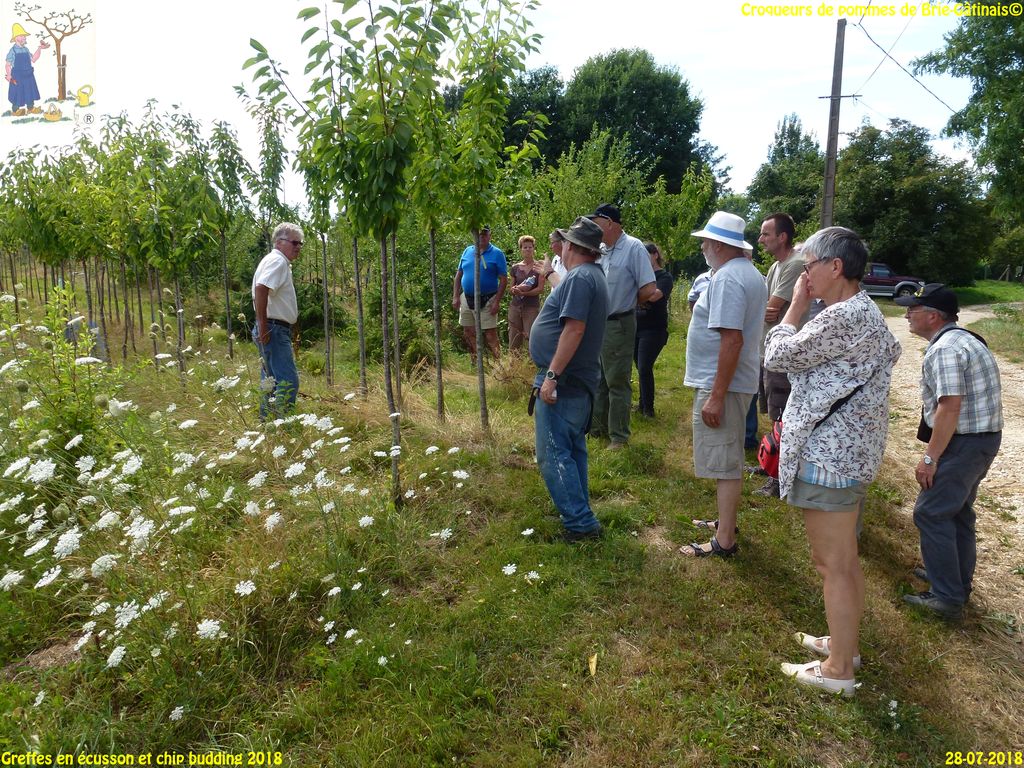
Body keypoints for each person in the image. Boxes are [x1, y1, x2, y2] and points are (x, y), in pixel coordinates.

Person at [765, 226, 900, 696]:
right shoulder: (862, 311)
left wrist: (795, 307)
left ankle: (839, 670)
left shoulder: (841, 316)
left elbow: (777, 355)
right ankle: (846, 646)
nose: (805, 276)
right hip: (848, 454)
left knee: (832, 565)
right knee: (845, 561)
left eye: (809, 267)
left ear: (835, 266)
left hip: (829, 458)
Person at [895, 284, 1002, 619]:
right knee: (957, 512)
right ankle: (954, 580)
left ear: (933, 316)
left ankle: (946, 598)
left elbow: (949, 407)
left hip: (964, 443)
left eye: (913, 309)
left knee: (931, 512)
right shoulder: (965, 339)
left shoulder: (944, 349)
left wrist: (930, 458)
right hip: (982, 440)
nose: (907, 314)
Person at [682, 212, 767, 558]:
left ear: (718, 244)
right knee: (726, 455)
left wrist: (716, 396)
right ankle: (725, 523)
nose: (702, 246)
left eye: (705, 241)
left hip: (724, 384)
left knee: (724, 461)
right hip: (732, 381)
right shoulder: (744, 273)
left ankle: (725, 541)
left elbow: (732, 340)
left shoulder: (729, 278)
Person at [530, 217, 609, 543]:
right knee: (573, 451)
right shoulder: (591, 276)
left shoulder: (581, 278)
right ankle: (580, 510)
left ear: (573, 247)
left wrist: (551, 376)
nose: (559, 247)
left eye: (563, 242)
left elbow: (574, 329)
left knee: (553, 453)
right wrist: (550, 274)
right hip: (578, 379)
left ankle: (580, 523)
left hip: (565, 380)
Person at [586, 203, 661, 449]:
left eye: (596, 222)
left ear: (609, 223)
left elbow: (649, 288)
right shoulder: (601, 250)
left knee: (617, 380)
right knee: (599, 378)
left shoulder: (633, 247)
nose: (593, 227)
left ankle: (619, 437)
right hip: (599, 323)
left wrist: (628, 303)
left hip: (619, 322)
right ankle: (597, 429)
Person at [756, 213, 805, 497]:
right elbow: (762, 308)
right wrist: (761, 310)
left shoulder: (795, 264)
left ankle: (779, 479)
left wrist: (761, 310)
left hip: (786, 355)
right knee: (774, 413)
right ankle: (770, 463)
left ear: (782, 237)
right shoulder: (777, 265)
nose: (760, 239)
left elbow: (772, 308)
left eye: (766, 234)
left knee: (784, 416)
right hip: (770, 351)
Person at [252, 223, 305, 419]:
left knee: (270, 381)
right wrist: (263, 326)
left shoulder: (274, 260)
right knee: (287, 381)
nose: (298, 247)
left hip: (272, 327)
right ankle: (283, 425)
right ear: (279, 242)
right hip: (273, 329)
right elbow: (261, 288)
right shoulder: (278, 261)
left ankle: (267, 423)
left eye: (300, 243)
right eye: (294, 242)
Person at [452, 226, 507, 362]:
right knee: (468, 331)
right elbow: (459, 275)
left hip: (488, 298)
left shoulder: (497, 254)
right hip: (466, 298)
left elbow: (503, 279)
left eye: (484, 234)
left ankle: (499, 364)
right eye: (479, 234)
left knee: (490, 333)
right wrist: (455, 296)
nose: (481, 237)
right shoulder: (467, 251)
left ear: (489, 236)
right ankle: (476, 362)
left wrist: (497, 301)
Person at [633, 242, 674, 418]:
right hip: (636, 327)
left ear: (655, 254)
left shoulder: (664, 277)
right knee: (640, 367)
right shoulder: (640, 276)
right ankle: (642, 404)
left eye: (646, 255)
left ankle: (648, 409)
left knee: (644, 367)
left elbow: (655, 295)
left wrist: (633, 295)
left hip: (654, 329)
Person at [508, 235, 545, 352]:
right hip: (515, 307)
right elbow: (511, 288)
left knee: (531, 336)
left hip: (531, 307)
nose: (528, 249)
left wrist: (526, 292)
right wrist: (515, 290)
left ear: (534, 248)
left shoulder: (539, 267)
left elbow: (540, 289)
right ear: (521, 249)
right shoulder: (515, 268)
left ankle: (532, 360)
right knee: (514, 337)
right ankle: (514, 361)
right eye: (525, 247)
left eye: (530, 247)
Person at [5, 23, 48, 116]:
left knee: (29, 91)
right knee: (17, 92)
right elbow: (8, 64)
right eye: (22, 36)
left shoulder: (26, 49)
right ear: (16, 38)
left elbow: (33, 59)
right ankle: (15, 110)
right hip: (18, 76)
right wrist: (9, 75)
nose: (24, 38)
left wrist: (40, 48)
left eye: (24, 36)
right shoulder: (12, 51)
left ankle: (31, 108)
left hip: (28, 75)